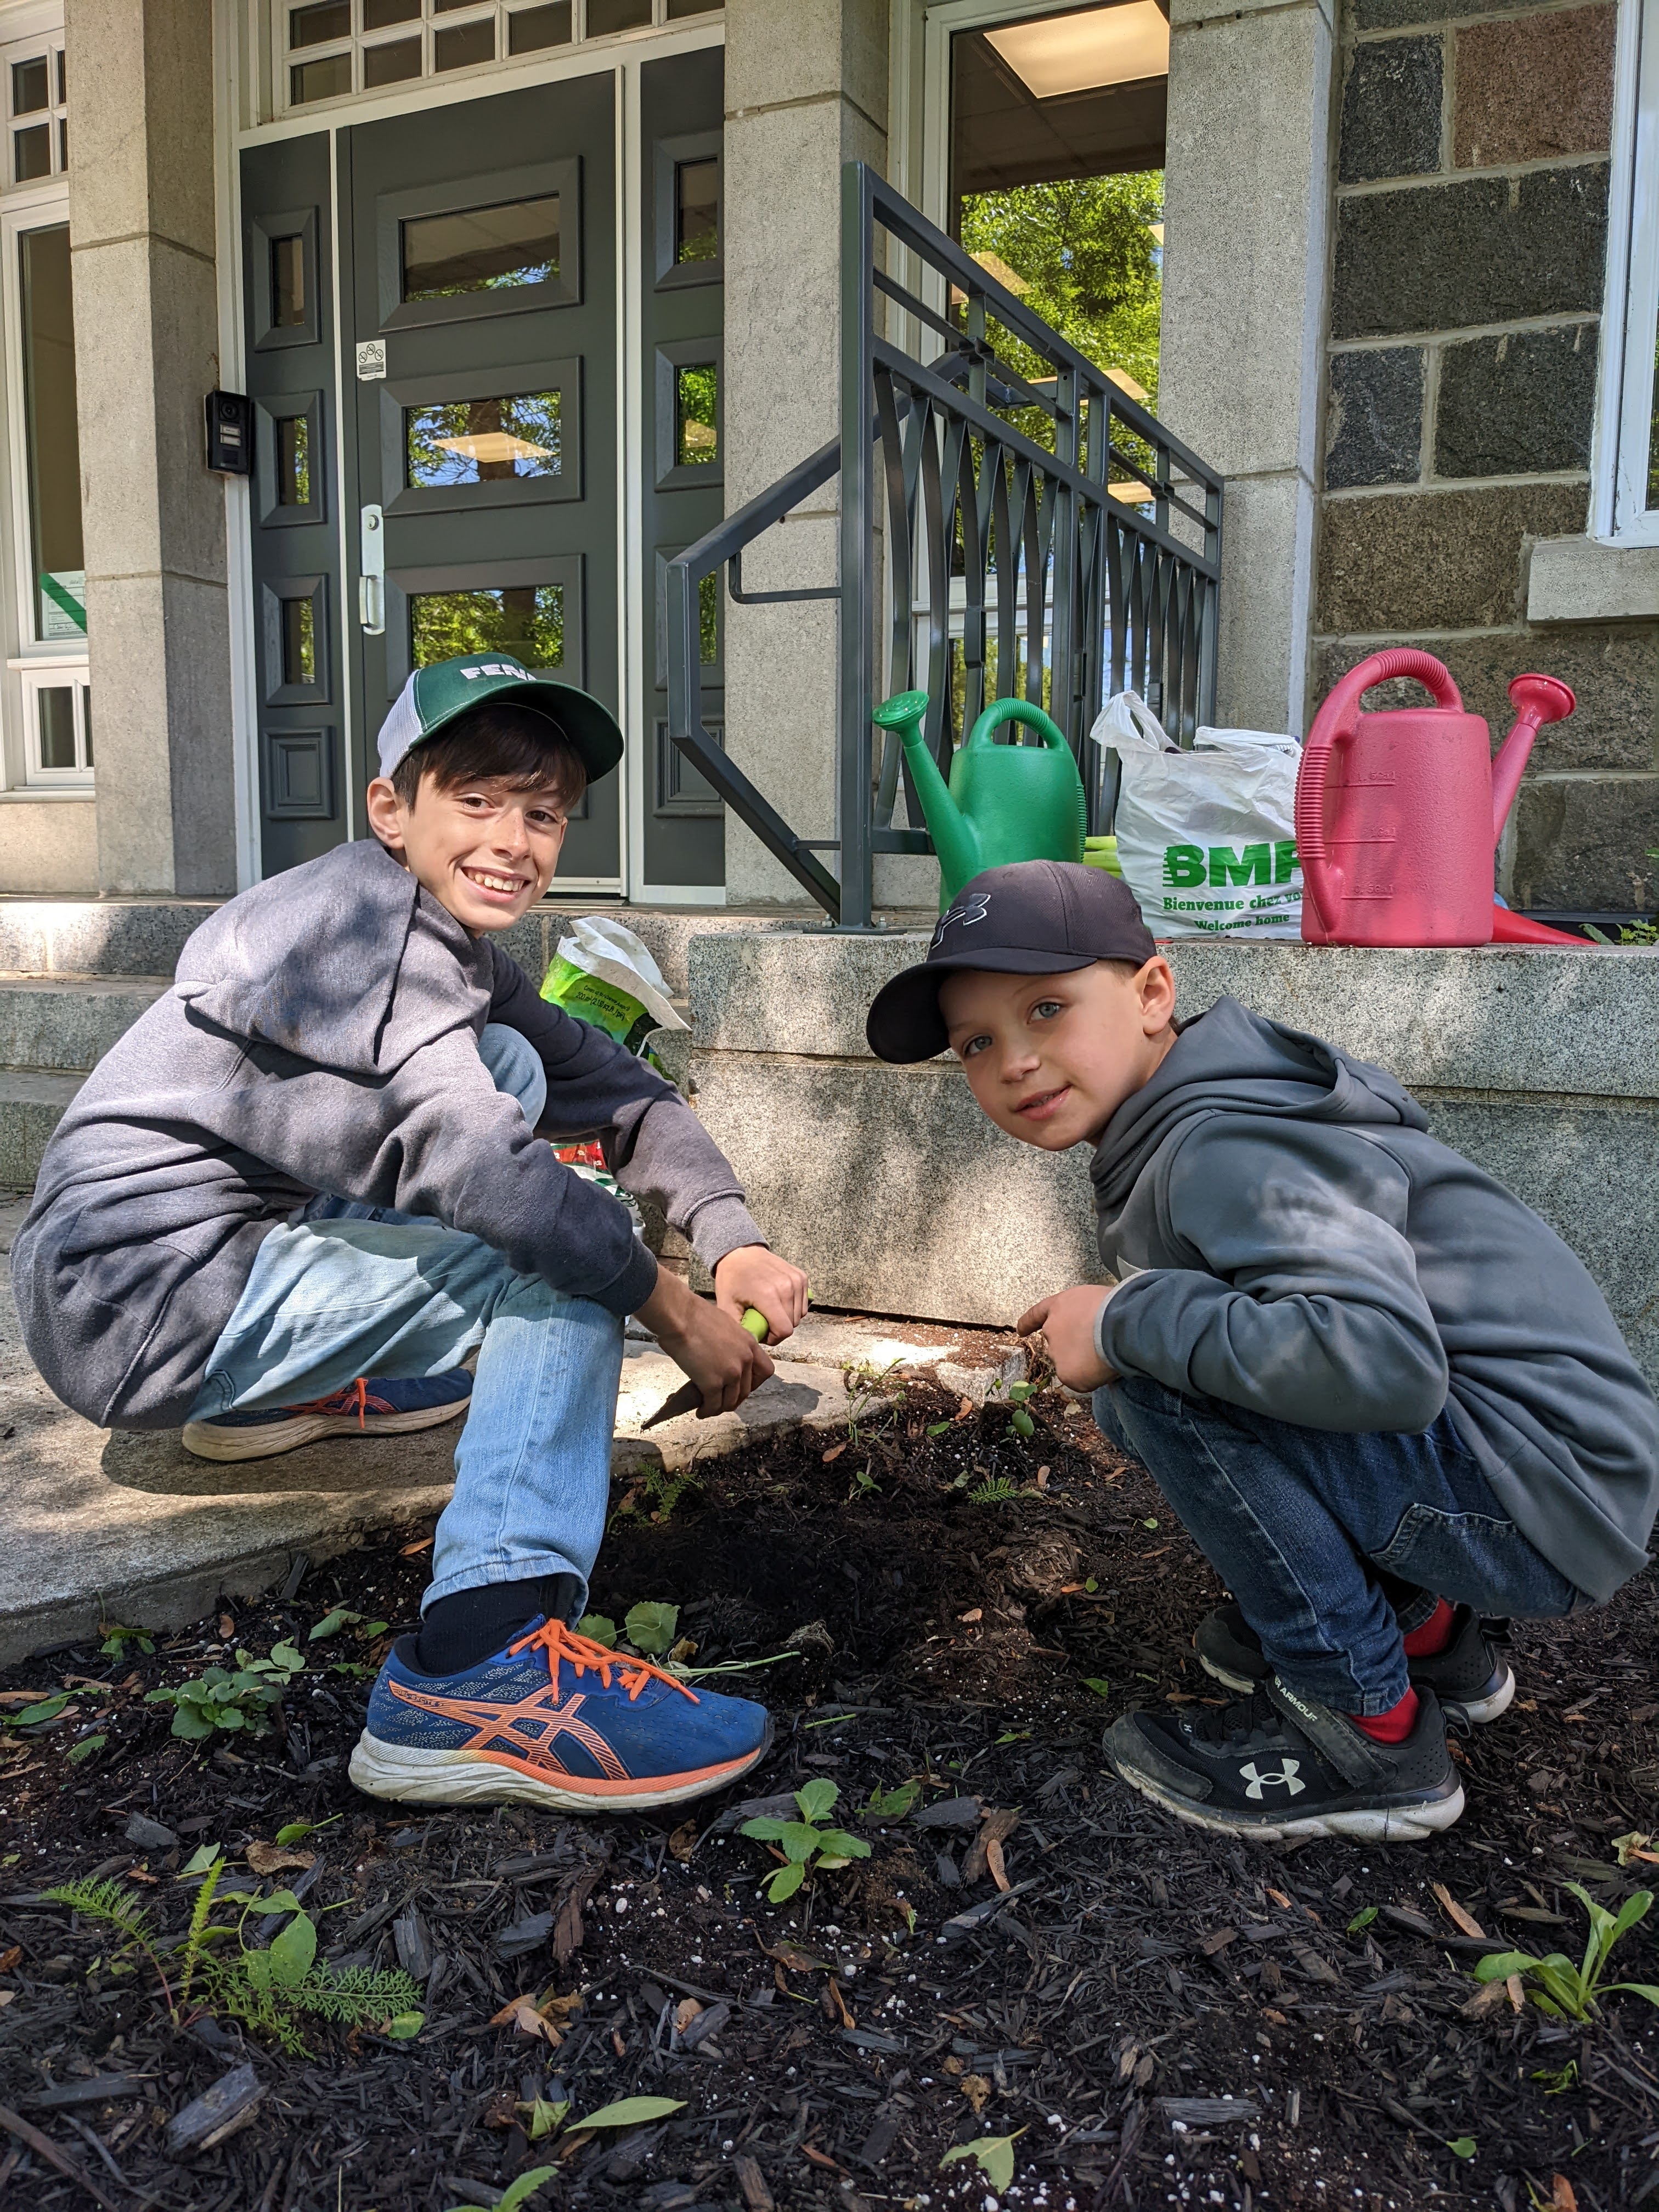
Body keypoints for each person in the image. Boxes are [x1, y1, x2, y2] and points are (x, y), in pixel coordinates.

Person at [14, 651, 809, 1815]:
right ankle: (483, 1663)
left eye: (542, 814)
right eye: (475, 801)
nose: (512, 841)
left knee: (513, 1061)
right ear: (391, 810)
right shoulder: (364, 941)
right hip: (141, 1299)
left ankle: (269, 1400)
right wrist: (675, 1308)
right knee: (568, 1256)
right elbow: (497, 1184)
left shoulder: (435, 937)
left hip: (149, 1271)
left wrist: (731, 1238)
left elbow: (617, 1092)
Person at [866, 859, 1659, 1840]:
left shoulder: (1224, 1147)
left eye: (1047, 1010)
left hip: (1538, 1503)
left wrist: (1122, 1324)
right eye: (977, 1043)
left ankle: (1363, 1725)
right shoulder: (1193, 1120)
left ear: (1154, 993)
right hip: (1548, 1481)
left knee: (1149, 1370)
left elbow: (1383, 1361)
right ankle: (1423, 1631)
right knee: (1146, 1365)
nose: (1015, 1061)